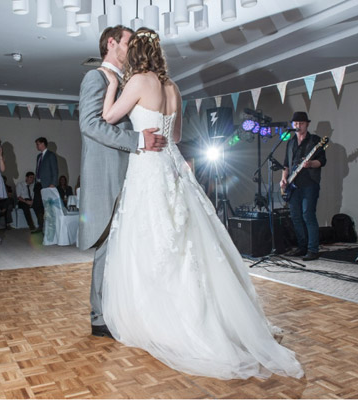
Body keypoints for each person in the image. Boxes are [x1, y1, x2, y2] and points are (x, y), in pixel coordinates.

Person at [97, 27, 303, 380]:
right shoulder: (173, 88)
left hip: (148, 166)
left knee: (150, 239)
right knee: (184, 239)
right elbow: (176, 137)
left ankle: (161, 320)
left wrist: (112, 84)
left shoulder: (137, 82)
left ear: (137, 54)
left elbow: (108, 118)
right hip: (172, 165)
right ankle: (208, 316)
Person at [78, 25, 165, 340]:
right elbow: (90, 125)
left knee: (126, 249)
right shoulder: (96, 78)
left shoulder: (130, 82)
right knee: (107, 249)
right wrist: (138, 139)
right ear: (111, 43)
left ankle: (121, 309)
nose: (134, 47)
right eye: (130, 42)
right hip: (108, 177)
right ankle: (99, 317)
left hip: (136, 177)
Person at [279, 112, 327, 261]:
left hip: (309, 184)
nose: (298, 126)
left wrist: (311, 164)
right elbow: (286, 164)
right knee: (295, 216)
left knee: (308, 215)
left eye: (301, 123)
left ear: (307, 124)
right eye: (295, 124)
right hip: (293, 185)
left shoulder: (315, 141)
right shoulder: (291, 142)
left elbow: (322, 161)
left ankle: (313, 249)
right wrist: (283, 179)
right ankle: (302, 246)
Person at [32, 137, 58, 233]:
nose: (37, 146)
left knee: (47, 206)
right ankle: (41, 225)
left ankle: (49, 227)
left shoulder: (51, 155)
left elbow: (55, 171)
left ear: (43, 144)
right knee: (36, 205)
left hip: (47, 184)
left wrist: (53, 183)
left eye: (38, 144)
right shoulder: (39, 156)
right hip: (38, 184)